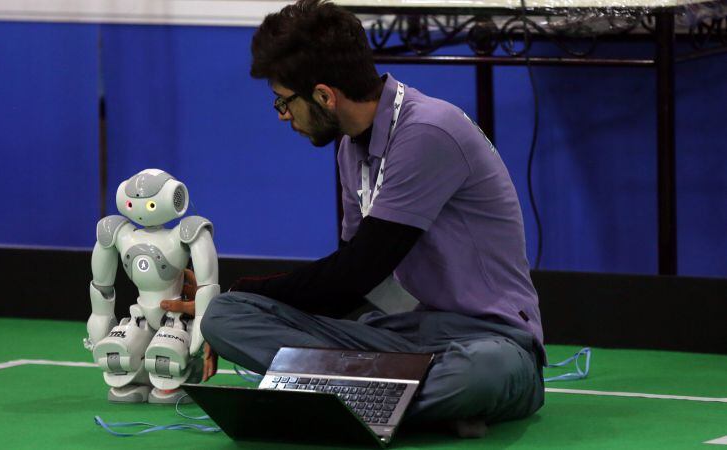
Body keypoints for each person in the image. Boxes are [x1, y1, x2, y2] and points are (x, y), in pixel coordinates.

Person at [162, 0, 544, 438]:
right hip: (401, 336)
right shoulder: (350, 146)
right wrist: (232, 300)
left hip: (487, 341)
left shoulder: (428, 132)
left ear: (325, 95)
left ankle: (331, 396)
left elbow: (354, 274)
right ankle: (379, 401)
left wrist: (243, 286)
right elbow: (351, 289)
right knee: (225, 317)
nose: (283, 115)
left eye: (283, 101)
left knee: (482, 375)